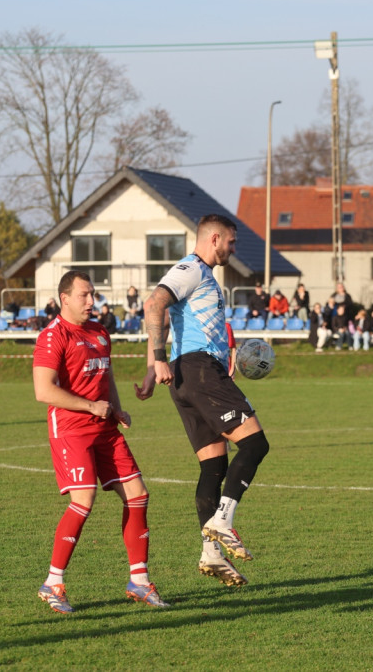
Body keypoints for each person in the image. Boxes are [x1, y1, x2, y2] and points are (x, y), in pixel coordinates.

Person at [136, 213, 272, 588]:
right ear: (214, 238)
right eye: (231, 241)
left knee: (213, 467)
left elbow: (163, 320)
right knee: (255, 443)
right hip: (198, 370)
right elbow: (154, 305)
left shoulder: (203, 276)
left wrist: (153, 365)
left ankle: (211, 554)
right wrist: (159, 358)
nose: (233, 247)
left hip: (185, 376)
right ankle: (223, 521)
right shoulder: (191, 268)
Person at [33, 271, 169, 613]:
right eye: (84, 295)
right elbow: (43, 390)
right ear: (65, 299)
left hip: (105, 427)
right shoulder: (52, 336)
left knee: (137, 494)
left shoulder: (99, 332)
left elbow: (105, 374)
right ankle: (53, 583)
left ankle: (138, 581)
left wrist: (117, 408)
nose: (92, 301)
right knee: (84, 499)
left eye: (92, 294)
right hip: (70, 427)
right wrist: (91, 405)